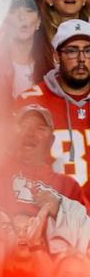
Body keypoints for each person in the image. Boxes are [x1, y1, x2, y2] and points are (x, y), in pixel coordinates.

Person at [19, 19, 90, 186]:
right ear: (57, 56)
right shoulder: (31, 102)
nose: (81, 59)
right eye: (72, 51)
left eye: (88, 51)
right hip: (54, 208)